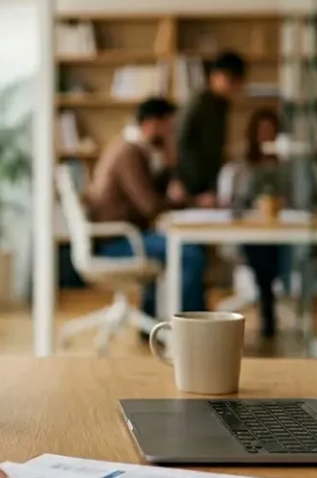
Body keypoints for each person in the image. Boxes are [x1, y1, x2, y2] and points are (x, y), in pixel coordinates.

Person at [85, 97, 208, 317]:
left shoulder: (136, 150)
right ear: (151, 124)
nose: (172, 132)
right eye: (168, 126)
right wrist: (181, 201)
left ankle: (150, 319)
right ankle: (195, 327)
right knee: (189, 253)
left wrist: (170, 165)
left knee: (170, 246)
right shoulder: (129, 153)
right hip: (118, 241)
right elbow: (150, 206)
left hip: (125, 236)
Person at [216, 109, 289, 339]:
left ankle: (266, 297)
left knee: (273, 250)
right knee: (262, 250)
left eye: (271, 132)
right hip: (250, 233)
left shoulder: (286, 166)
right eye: (262, 132)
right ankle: (267, 301)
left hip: (284, 232)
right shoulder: (240, 167)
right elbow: (232, 204)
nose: (267, 137)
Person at [172, 51, 247, 207]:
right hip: (191, 181)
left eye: (237, 82)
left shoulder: (222, 105)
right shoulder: (197, 104)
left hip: (211, 179)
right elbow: (180, 142)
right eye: (230, 80)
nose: (233, 87)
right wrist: (180, 180)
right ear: (215, 76)